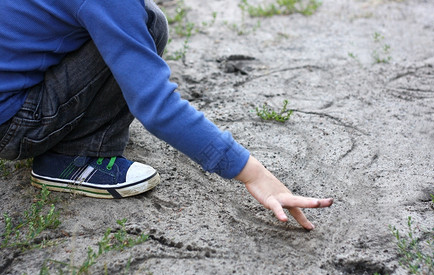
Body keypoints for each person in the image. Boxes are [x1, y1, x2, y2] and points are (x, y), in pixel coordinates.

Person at [0, 0, 333, 230]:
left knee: (143, 21)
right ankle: (71, 160)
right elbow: (156, 107)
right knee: (148, 25)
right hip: (12, 125)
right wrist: (253, 174)